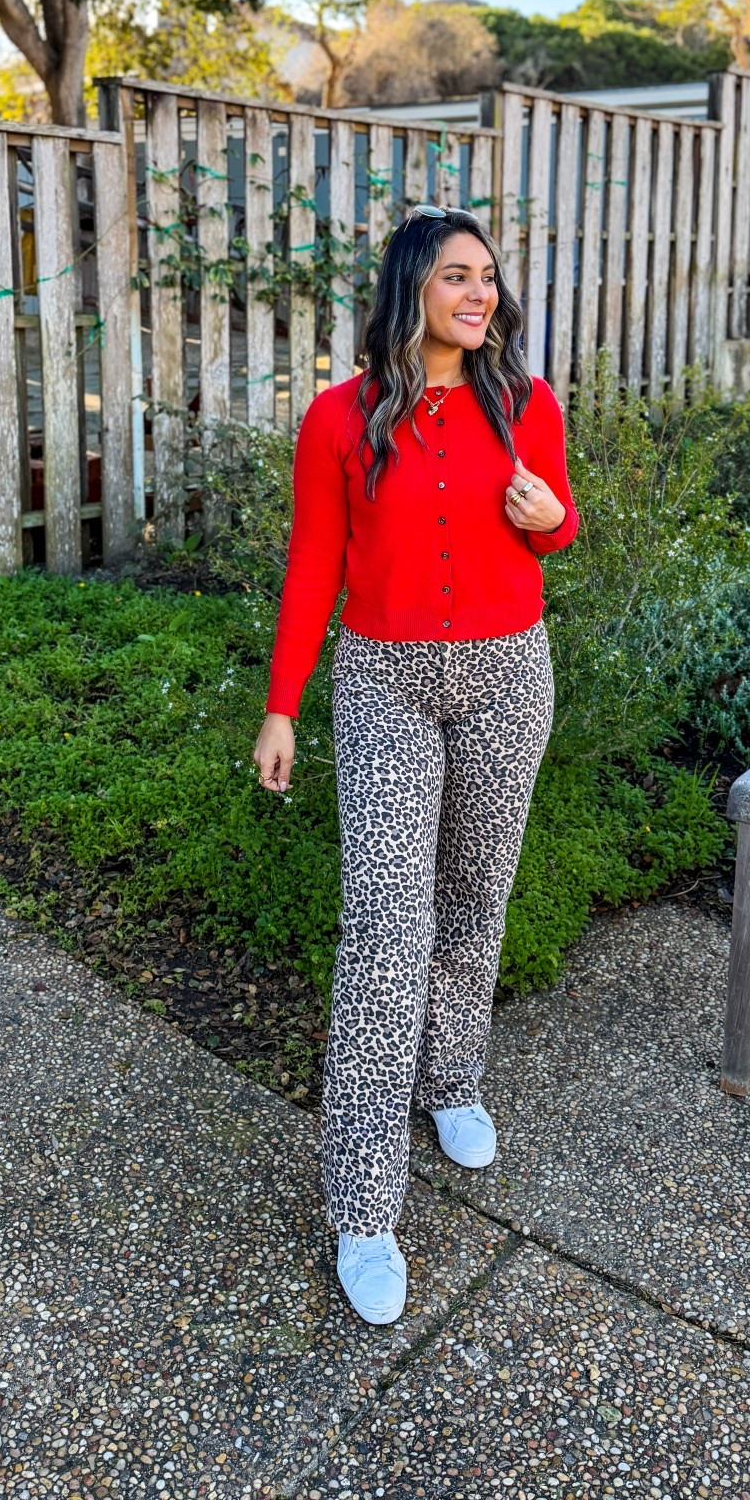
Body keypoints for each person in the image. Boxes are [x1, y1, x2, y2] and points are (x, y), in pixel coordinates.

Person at [253, 204, 579, 1325]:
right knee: (386, 934)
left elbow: (550, 532)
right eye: (456, 276)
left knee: (474, 899)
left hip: (507, 671)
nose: (480, 294)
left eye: (488, 277)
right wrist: (281, 706)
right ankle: (361, 1202)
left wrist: (552, 517)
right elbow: (312, 568)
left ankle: (451, 1082)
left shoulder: (526, 402)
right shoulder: (339, 421)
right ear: (410, 292)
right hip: (385, 678)